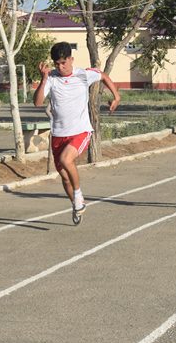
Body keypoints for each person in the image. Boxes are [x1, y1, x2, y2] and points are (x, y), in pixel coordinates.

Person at [34, 42, 121, 225]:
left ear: (71, 59)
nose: (61, 67)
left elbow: (103, 75)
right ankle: (76, 204)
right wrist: (43, 78)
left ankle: (79, 194)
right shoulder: (51, 78)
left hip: (80, 131)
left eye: (64, 62)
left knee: (67, 160)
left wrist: (116, 96)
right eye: (57, 64)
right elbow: (38, 102)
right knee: (64, 177)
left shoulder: (83, 74)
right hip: (58, 133)